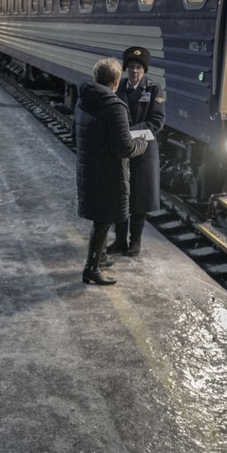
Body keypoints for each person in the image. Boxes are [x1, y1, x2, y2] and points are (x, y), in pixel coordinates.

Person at [74, 57, 148, 285]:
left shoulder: (83, 100)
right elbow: (124, 146)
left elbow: (74, 134)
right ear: (116, 81)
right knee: (103, 220)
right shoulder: (114, 106)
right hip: (108, 173)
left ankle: (101, 258)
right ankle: (91, 269)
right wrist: (142, 144)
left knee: (100, 218)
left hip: (89, 168)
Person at [112, 46, 165, 257]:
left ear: (144, 71)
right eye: (131, 67)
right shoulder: (118, 88)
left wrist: (128, 132)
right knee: (119, 196)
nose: (135, 71)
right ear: (125, 70)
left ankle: (135, 242)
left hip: (143, 151)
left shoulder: (154, 90)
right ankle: (119, 241)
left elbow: (157, 122)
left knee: (138, 199)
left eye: (139, 68)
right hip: (122, 151)